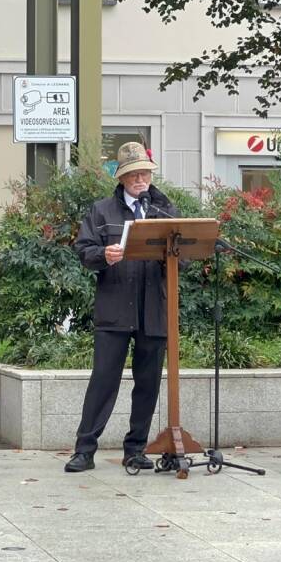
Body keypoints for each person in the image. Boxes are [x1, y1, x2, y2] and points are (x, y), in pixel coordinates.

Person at [64, 141, 179, 473]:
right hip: (115, 309)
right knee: (103, 380)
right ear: (122, 178)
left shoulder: (164, 209)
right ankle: (84, 449)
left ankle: (136, 450)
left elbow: (181, 259)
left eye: (144, 173)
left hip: (154, 310)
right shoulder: (102, 211)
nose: (140, 179)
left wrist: (174, 256)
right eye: (133, 174)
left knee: (147, 383)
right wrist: (104, 255)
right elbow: (84, 250)